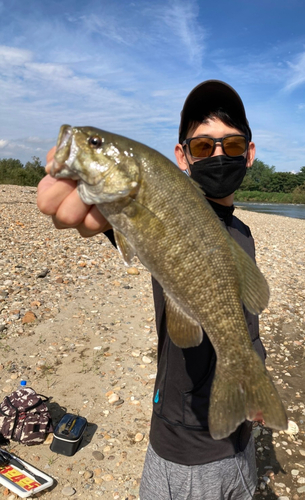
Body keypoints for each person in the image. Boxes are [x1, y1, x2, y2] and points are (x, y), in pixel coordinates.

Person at [37, 80, 266, 499]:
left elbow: (245, 320)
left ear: (249, 155)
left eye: (231, 146)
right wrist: (92, 205)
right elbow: (117, 220)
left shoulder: (243, 233)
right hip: (184, 448)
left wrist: (254, 373)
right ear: (182, 156)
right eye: (202, 147)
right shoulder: (137, 197)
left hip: (241, 440)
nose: (217, 155)